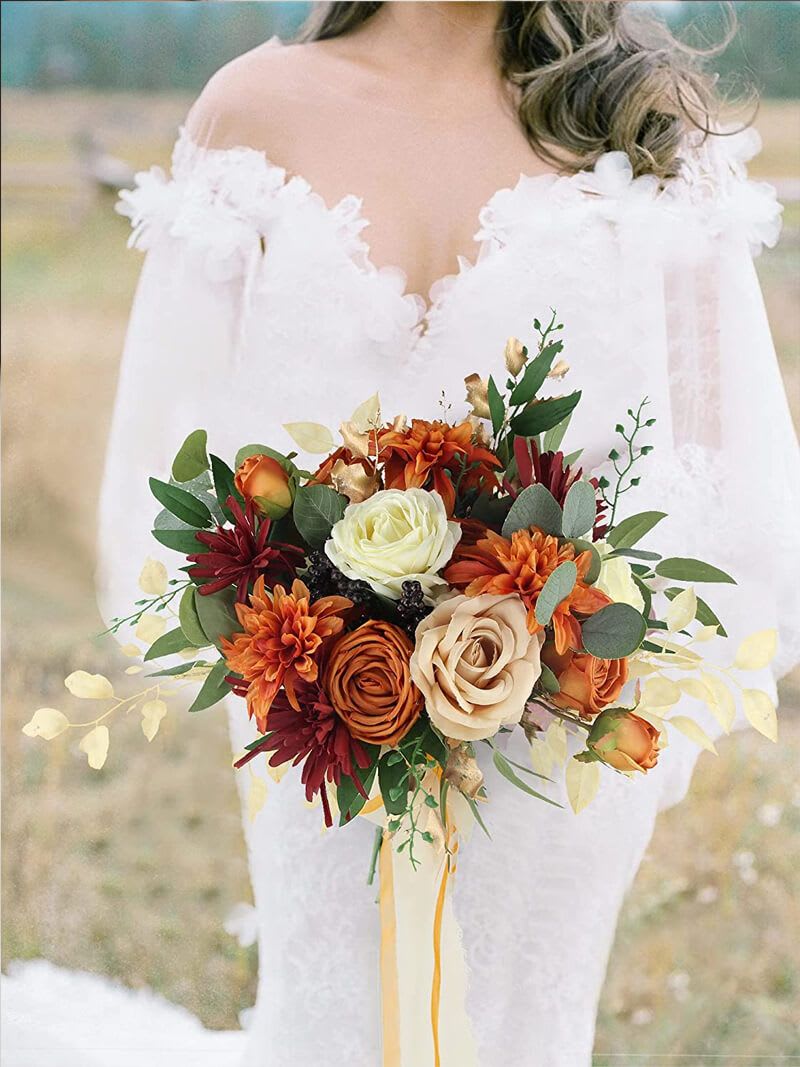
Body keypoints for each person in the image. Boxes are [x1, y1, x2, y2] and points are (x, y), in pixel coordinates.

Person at [7, 4, 798, 1066]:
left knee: (510, 1030)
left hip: (554, 744)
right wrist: (292, 643)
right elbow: (172, 468)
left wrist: (588, 675)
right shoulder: (253, 112)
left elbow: (726, 478)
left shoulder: (637, 124)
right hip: (316, 734)